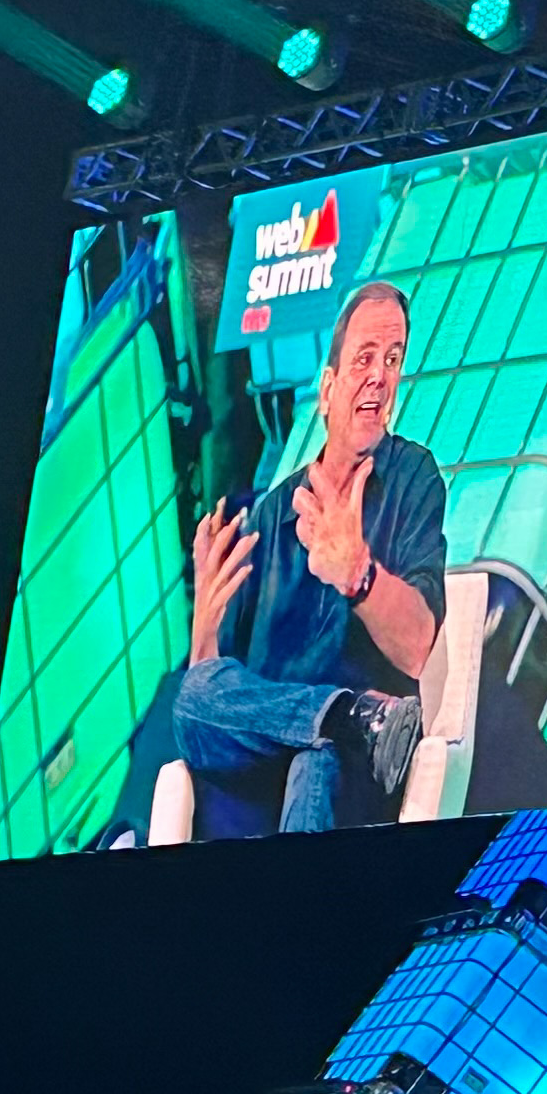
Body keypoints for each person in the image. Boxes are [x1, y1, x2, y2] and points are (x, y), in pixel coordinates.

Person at [173, 279, 449, 836]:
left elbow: (421, 646)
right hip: (274, 747)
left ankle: (343, 727)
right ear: (327, 390)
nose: (380, 375)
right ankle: (349, 715)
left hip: (355, 766)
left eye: (393, 359)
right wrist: (204, 627)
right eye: (365, 358)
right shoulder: (272, 513)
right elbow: (220, 688)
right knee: (191, 696)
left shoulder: (414, 477)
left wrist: (359, 575)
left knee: (320, 755)